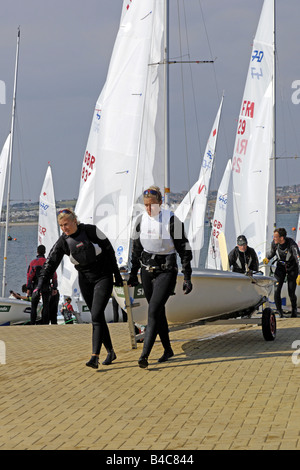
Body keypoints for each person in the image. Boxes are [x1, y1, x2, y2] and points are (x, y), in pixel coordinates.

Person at [36, 208, 123, 368]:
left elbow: (110, 251)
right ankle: (110, 351)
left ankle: (94, 357)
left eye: (66, 224)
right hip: (85, 280)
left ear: (74, 221)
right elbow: (50, 263)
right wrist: (40, 284)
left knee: (96, 315)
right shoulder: (63, 241)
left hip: (103, 277)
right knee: (97, 318)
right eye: (61, 226)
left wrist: (116, 276)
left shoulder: (91, 231)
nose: (64, 228)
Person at [128, 186, 193, 369]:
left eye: (153, 205)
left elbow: (185, 251)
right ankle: (168, 349)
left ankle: (144, 355)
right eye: (146, 205)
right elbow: (136, 251)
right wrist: (133, 274)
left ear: (160, 203)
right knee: (158, 311)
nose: (149, 209)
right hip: (146, 270)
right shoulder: (140, 221)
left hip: (167, 270)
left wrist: (187, 277)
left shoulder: (172, 221)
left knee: (153, 310)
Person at [263, 227, 300, 317]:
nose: (273, 238)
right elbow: (272, 253)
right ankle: (280, 313)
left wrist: (299, 274)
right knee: (276, 290)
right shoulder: (274, 244)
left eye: (275, 237)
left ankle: (294, 310)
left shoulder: (292, 245)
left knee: (291, 291)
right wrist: (267, 259)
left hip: (292, 268)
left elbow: (298, 260)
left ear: (281, 238)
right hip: (280, 267)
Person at [26, 245, 57, 325]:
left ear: (37, 251)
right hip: (46, 286)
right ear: (45, 252)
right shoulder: (48, 262)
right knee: (46, 305)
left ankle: (32, 323)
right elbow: (54, 275)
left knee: (34, 305)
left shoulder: (33, 262)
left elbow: (29, 276)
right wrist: (54, 287)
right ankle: (45, 323)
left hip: (36, 286)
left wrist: (28, 288)